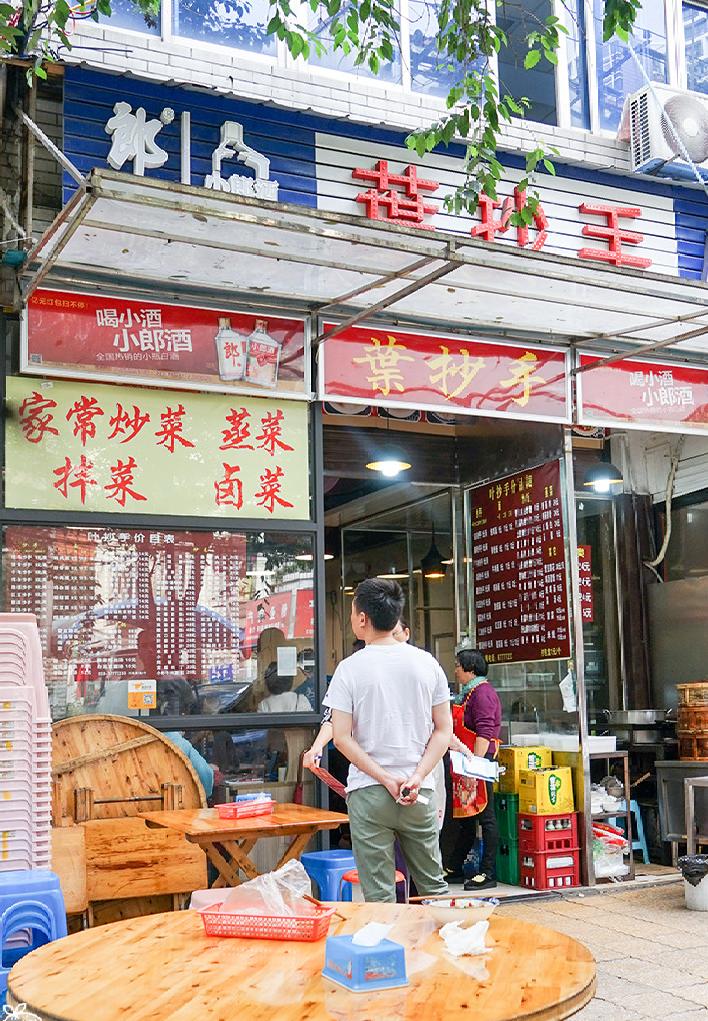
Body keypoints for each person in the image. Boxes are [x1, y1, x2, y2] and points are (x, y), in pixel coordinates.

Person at [323, 578, 452, 903]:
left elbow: (341, 738)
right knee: (433, 888)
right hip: (418, 792)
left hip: (369, 794)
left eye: (353, 612)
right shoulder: (428, 664)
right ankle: (446, 948)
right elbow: (443, 731)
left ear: (362, 619)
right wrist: (418, 776)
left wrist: (383, 777)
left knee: (379, 895)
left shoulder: (349, 669)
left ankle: (389, 952)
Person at [446, 648, 502, 891]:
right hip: (465, 762)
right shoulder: (467, 695)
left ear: (470, 669)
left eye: (458, 665)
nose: (455, 670)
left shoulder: (483, 694)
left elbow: (485, 732)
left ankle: (488, 873)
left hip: (477, 763)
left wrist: (475, 765)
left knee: (486, 817)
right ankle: (456, 867)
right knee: (467, 817)